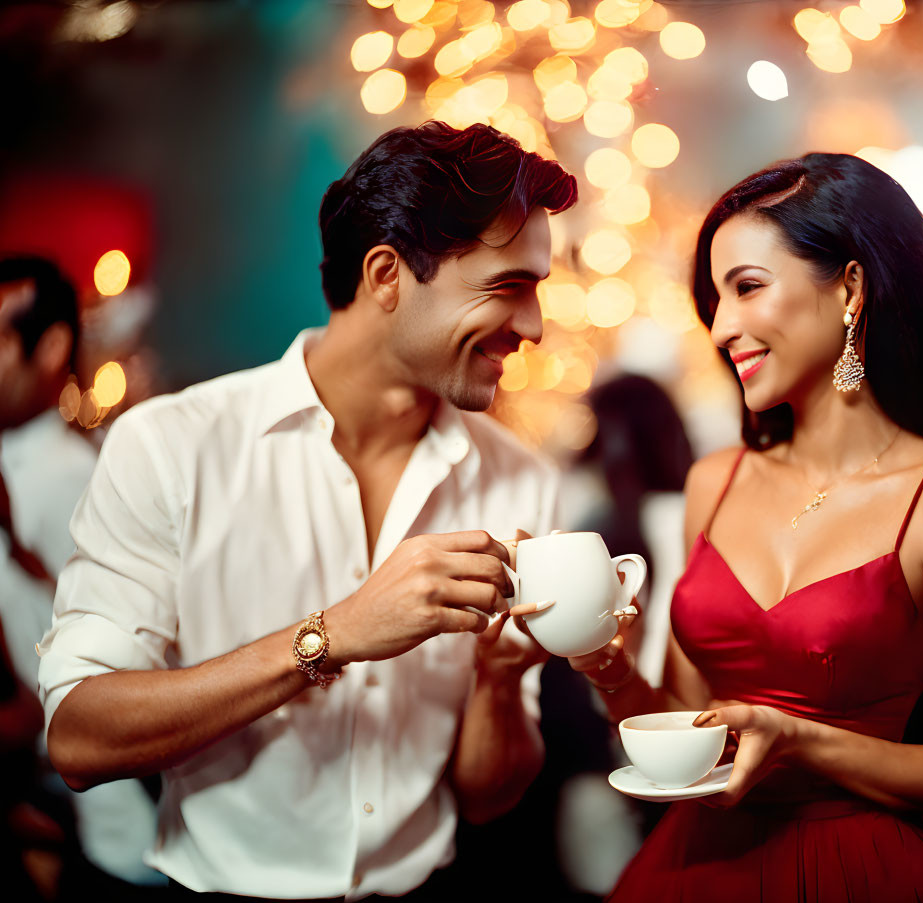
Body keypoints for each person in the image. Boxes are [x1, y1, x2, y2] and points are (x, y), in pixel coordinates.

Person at [37, 121, 577, 900]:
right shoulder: (171, 445)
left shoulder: (521, 480)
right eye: (506, 288)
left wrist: (497, 682)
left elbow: (489, 796)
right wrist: (334, 634)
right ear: (387, 274)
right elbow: (80, 738)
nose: (532, 327)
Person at [565, 153, 923, 901]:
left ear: (849, 287)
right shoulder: (711, 484)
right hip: (699, 866)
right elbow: (692, 727)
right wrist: (610, 668)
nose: (719, 329)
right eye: (714, 300)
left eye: (746, 287)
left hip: (860, 867)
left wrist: (804, 742)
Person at [0, 256, 164, 896]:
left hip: (104, 823)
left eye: (2, 339)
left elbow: (123, 658)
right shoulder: (21, 466)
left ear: (54, 349)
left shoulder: (74, 475)